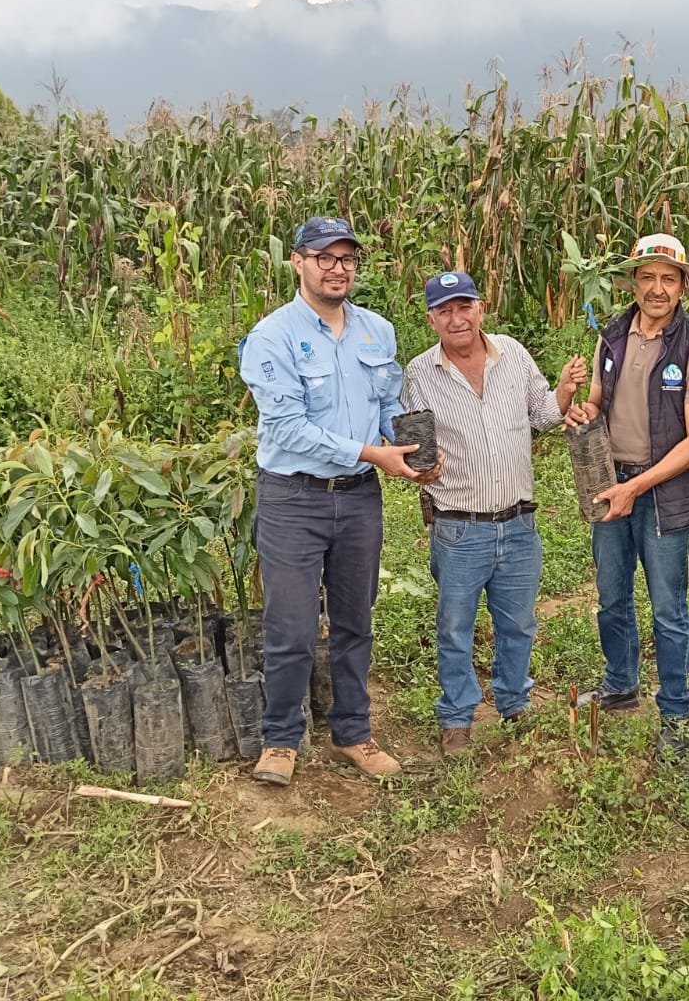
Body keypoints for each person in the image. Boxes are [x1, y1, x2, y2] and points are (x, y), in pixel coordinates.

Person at [238, 215, 432, 787]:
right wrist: (375, 453)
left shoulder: (377, 331)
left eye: (347, 258)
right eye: (325, 257)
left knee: (354, 620)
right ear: (297, 261)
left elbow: (384, 410)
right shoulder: (271, 336)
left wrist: (410, 454)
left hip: (358, 500)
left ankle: (353, 732)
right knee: (291, 626)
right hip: (293, 498)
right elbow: (289, 429)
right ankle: (280, 741)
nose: (337, 268)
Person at [402, 270, 587, 757]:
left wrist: (565, 390)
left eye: (464, 306)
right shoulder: (421, 374)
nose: (456, 318)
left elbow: (543, 416)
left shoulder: (513, 354)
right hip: (460, 528)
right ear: (431, 319)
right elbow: (415, 449)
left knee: (519, 624)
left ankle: (512, 703)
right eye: (445, 310)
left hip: (520, 524)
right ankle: (458, 717)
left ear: (481, 308)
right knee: (455, 627)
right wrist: (419, 469)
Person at [564, 233, 689, 762]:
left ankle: (675, 712)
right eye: (648, 277)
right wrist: (583, 409)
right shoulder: (610, 335)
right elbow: (597, 403)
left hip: (663, 495)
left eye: (668, 279)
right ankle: (620, 683)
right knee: (611, 597)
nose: (657, 288)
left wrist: (637, 486)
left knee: (668, 610)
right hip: (612, 482)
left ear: (682, 288)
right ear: (633, 282)